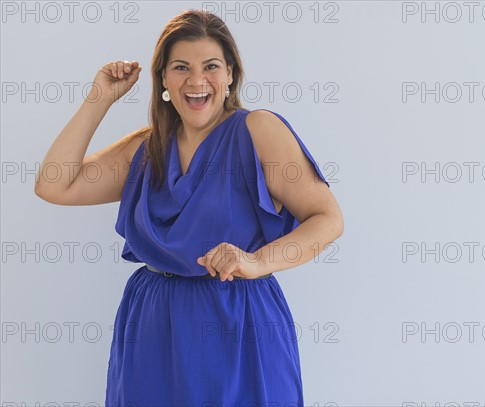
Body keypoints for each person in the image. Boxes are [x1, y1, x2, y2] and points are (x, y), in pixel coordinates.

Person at [34, 8, 344, 407]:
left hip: (237, 318)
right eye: (181, 67)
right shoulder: (146, 151)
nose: (197, 81)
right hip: (151, 324)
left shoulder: (258, 130)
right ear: (163, 78)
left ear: (230, 73)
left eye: (211, 66)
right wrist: (100, 99)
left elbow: (328, 218)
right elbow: (54, 184)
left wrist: (258, 261)